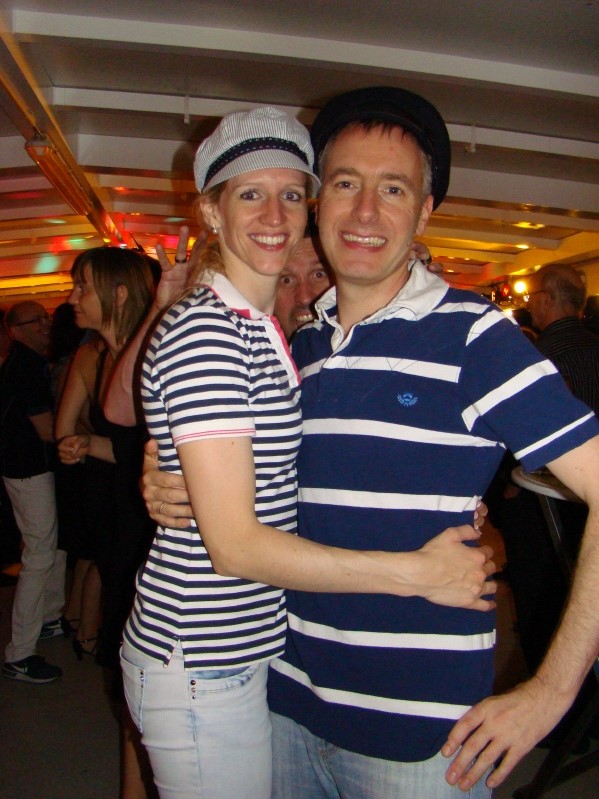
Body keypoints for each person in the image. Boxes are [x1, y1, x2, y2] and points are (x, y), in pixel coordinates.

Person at [146, 87, 599, 796]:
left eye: (393, 189)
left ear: (424, 211)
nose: (364, 212)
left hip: (419, 743)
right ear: (318, 202)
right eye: (345, 184)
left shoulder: (475, 337)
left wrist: (551, 690)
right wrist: (167, 479)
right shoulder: (299, 347)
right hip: (281, 704)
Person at [0, 301, 67, 683]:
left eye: (46, 317)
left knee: (49, 547)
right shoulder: (26, 367)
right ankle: (19, 654)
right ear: (15, 330)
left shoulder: (26, 363)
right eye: (36, 320)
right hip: (27, 470)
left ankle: (48, 618)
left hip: (26, 468)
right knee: (40, 553)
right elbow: (46, 430)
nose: (45, 324)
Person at [527, 263, 599, 415]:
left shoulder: (538, 357)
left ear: (546, 299)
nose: (527, 304)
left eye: (529, 296)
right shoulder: (594, 345)